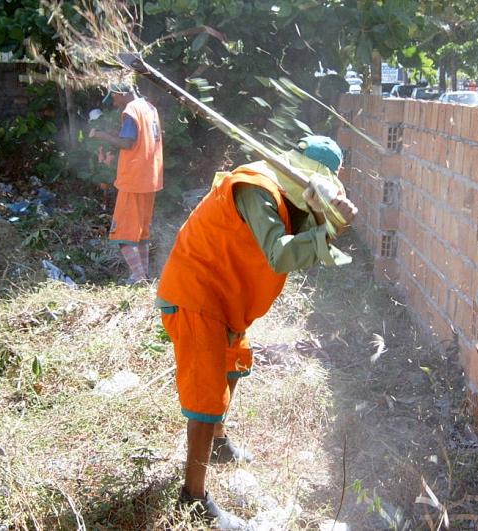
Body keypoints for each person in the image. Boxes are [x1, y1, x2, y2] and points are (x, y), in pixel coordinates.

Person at [156, 136, 358, 529]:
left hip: (223, 298)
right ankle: (192, 499)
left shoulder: (284, 195)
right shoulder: (256, 187)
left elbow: (311, 243)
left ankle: (217, 444)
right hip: (196, 294)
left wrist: (328, 219)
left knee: (233, 367)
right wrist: (329, 227)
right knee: (206, 398)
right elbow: (281, 254)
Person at [89, 81, 164, 284]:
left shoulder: (131, 110)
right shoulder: (149, 107)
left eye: (114, 97)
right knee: (141, 232)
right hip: (150, 177)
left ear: (121, 93)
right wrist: (111, 134)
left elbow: (127, 143)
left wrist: (101, 135)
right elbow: (139, 139)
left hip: (134, 179)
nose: (114, 102)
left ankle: (138, 277)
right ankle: (144, 275)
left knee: (122, 233)